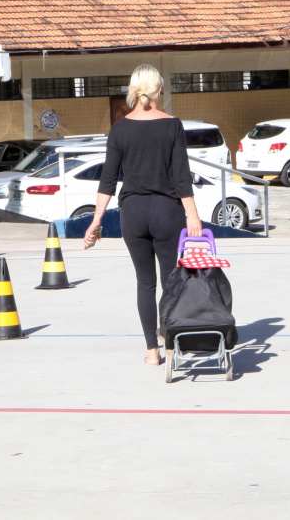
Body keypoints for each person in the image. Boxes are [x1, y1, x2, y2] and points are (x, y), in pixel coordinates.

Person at [84, 64, 202, 367]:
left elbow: (107, 180)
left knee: (144, 282)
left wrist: (96, 220)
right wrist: (193, 215)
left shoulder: (119, 128)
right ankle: (173, 342)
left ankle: (152, 352)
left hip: (133, 214)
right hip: (166, 212)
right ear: (158, 91)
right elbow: (181, 177)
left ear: (133, 92)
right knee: (169, 281)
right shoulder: (172, 125)